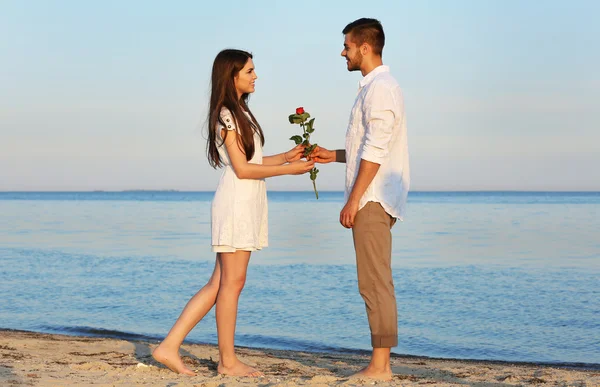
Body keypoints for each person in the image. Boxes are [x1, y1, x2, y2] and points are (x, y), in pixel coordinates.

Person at [152, 49, 315, 377]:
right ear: (233, 76)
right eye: (250, 71)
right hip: (236, 203)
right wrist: (291, 171)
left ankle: (169, 347)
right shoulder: (227, 114)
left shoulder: (239, 111)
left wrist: (287, 157)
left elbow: (252, 162)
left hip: (245, 201)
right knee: (232, 283)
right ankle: (227, 362)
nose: (256, 76)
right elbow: (242, 170)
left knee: (220, 283)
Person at [311, 18, 410, 381]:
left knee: (374, 281)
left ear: (364, 48)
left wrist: (354, 200)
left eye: (347, 46)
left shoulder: (380, 88)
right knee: (374, 279)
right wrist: (333, 154)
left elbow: (377, 149)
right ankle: (380, 362)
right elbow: (364, 147)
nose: (343, 52)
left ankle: (380, 367)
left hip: (372, 198)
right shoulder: (374, 87)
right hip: (372, 194)